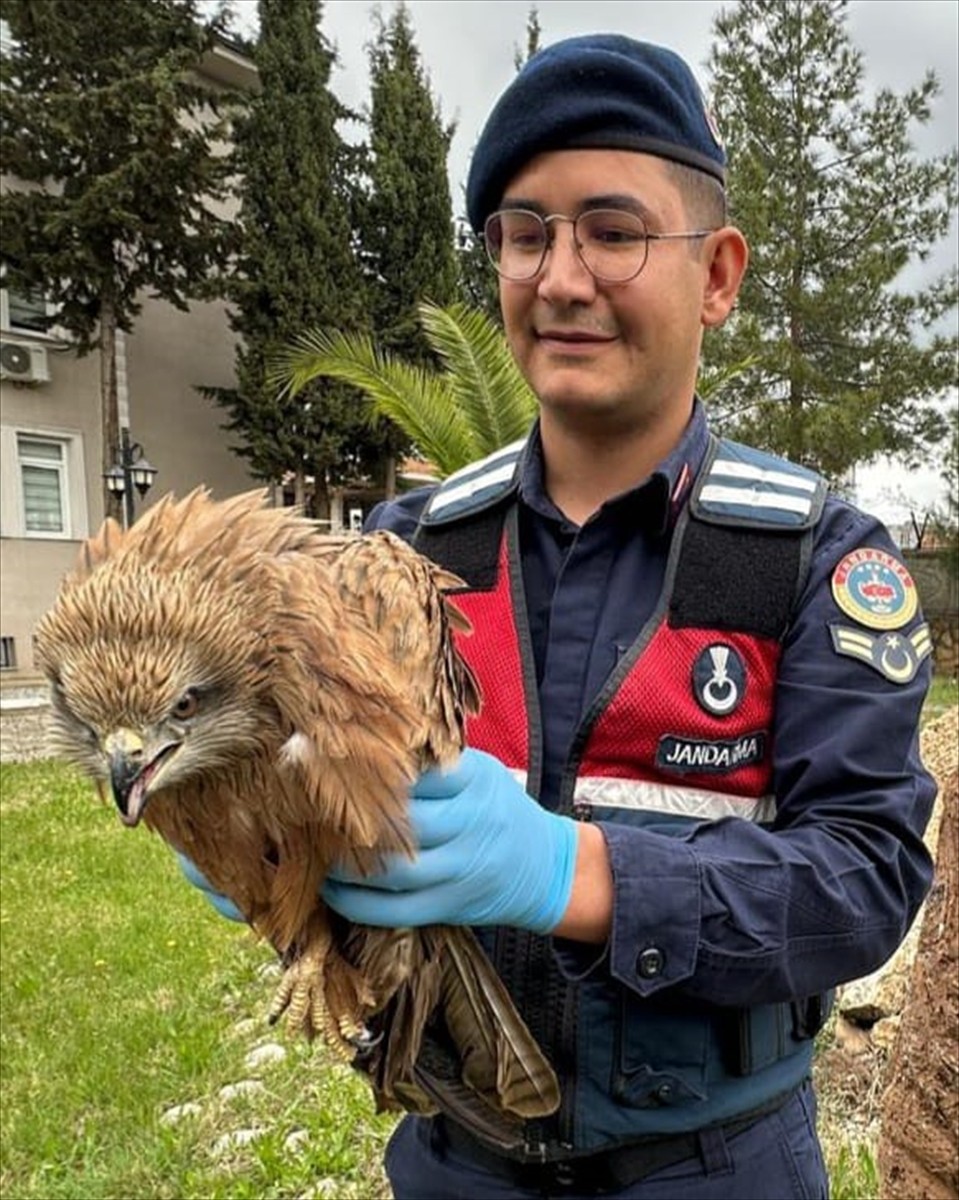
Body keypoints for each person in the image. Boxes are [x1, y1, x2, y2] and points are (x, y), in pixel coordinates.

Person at [187, 33, 937, 1200]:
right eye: (524, 233)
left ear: (720, 273)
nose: (560, 276)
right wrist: (252, 835)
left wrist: (569, 874)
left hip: (716, 1164)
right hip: (453, 1159)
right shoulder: (403, 553)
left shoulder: (810, 559)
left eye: (613, 229)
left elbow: (865, 877)